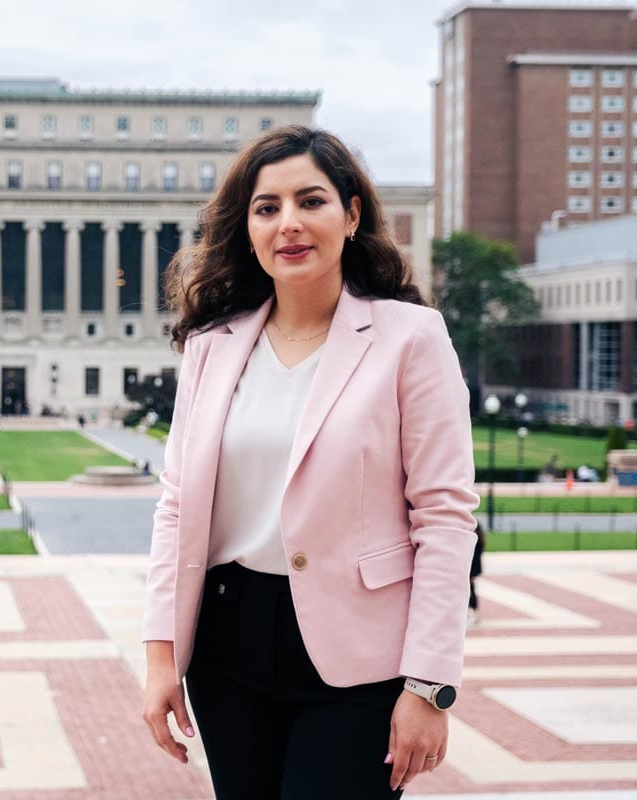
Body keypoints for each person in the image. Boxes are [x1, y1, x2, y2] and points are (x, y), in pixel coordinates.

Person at [141, 125, 478, 799]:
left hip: (360, 659)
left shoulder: (410, 338)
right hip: (228, 643)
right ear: (249, 227)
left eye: (311, 201)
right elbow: (177, 503)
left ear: (351, 215)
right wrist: (160, 660)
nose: (289, 224)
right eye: (268, 208)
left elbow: (443, 516)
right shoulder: (212, 344)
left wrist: (430, 686)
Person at [469, 522, 485, 625]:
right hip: (473, 569)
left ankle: (474, 611)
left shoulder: (476, 543)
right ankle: (473, 612)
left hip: (472, 570)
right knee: (471, 590)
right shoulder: (480, 542)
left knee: (471, 591)